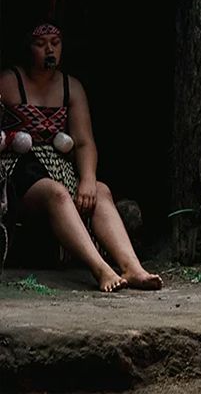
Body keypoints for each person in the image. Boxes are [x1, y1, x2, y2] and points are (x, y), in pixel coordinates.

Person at [0, 24, 162, 292]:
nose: (50, 49)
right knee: (57, 194)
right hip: (18, 169)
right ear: (28, 47)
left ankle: (132, 267)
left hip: (58, 165)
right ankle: (101, 269)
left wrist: (87, 179)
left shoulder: (70, 87)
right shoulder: (8, 81)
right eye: (41, 44)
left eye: (55, 42)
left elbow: (84, 142)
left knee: (100, 191)